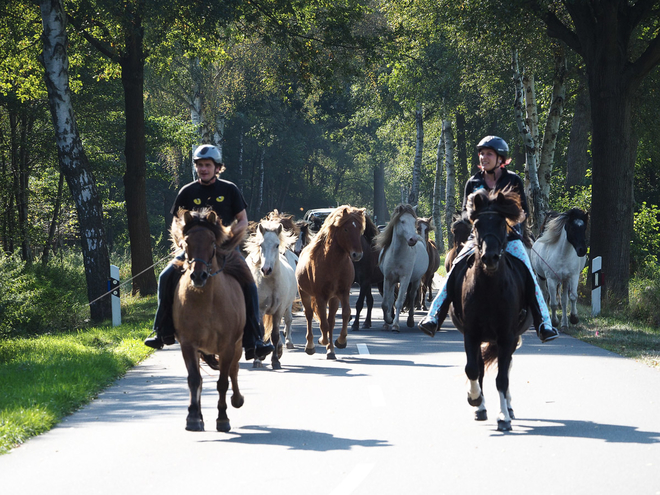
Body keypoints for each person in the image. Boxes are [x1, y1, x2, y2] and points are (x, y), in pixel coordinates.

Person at [419, 135, 559, 343]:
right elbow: (466, 214)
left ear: (500, 158)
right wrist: (472, 216)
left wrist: (511, 219)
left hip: (509, 239)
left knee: (529, 274)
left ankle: (543, 323)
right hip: (479, 240)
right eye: (482, 153)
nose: (484, 157)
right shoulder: (473, 182)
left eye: (489, 154)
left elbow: (524, 212)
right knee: (456, 268)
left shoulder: (513, 180)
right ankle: (434, 317)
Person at [144, 144, 274, 361]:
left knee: (250, 282)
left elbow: (242, 220)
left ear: (217, 168)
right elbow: (176, 222)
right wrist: (181, 241)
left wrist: (228, 238)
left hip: (225, 251)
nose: (203, 169)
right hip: (194, 252)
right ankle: (161, 330)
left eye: (207, 165)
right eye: (199, 165)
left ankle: (255, 339)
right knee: (165, 276)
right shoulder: (187, 191)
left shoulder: (230, 189)